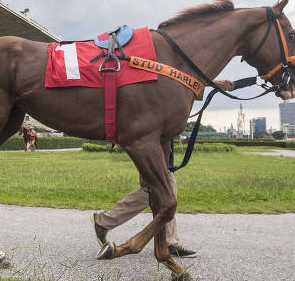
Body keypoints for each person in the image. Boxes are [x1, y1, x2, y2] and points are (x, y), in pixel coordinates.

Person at [92, 79, 235, 260]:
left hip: (160, 143)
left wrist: (211, 84)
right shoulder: (161, 76)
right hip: (152, 145)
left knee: (164, 189)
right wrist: (211, 83)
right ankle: (105, 221)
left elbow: (181, 84)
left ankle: (168, 241)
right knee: (162, 190)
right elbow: (176, 81)